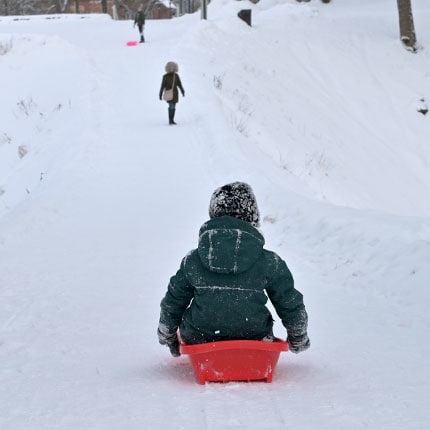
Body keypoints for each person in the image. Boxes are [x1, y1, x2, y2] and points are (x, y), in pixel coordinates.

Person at [157, 181, 310, 357]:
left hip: (200, 338)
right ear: (252, 218)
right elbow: (289, 302)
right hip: (254, 338)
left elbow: (174, 301)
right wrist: (298, 337)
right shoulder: (269, 261)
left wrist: (167, 335)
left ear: (214, 217)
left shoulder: (193, 260)